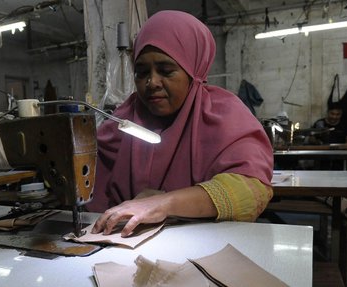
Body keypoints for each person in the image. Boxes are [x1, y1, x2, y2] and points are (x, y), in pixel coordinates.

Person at [86, 10, 274, 237]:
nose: (152, 82)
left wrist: (164, 203)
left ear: (193, 70)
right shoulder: (125, 119)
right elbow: (87, 174)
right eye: (141, 72)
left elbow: (251, 191)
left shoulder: (225, 115)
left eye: (166, 71)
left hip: (208, 246)